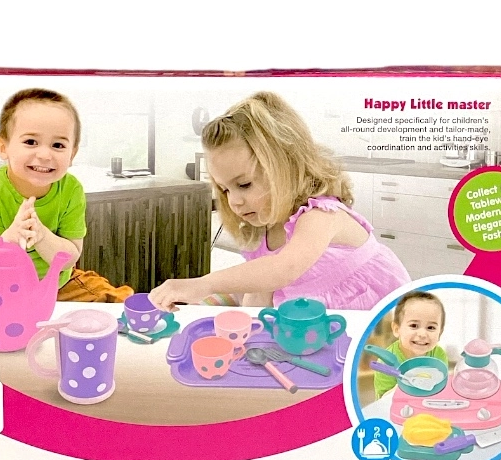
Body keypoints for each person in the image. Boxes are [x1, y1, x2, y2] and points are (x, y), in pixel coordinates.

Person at [148, 91, 410, 312]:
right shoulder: (266, 226)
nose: (234, 201)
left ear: (287, 166)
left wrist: (205, 283)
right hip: (314, 312)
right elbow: (262, 284)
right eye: (225, 189)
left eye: (244, 184)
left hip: (380, 316)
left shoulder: (321, 215)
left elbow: (284, 269)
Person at [0, 89, 133, 303]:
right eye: (31, 142)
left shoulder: (71, 190)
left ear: (72, 154)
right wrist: (10, 239)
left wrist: (41, 236)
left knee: (118, 301)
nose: (45, 155)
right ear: (3, 147)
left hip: (59, 284)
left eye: (58, 145)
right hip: (2, 290)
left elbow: (70, 257)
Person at [373, 291, 448, 400]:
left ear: (440, 333)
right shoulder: (386, 363)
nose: (422, 334)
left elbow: (440, 388)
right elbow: (383, 400)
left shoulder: (438, 354)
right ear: (397, 329)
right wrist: (406, 386)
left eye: (431, 327)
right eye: (414, 325)